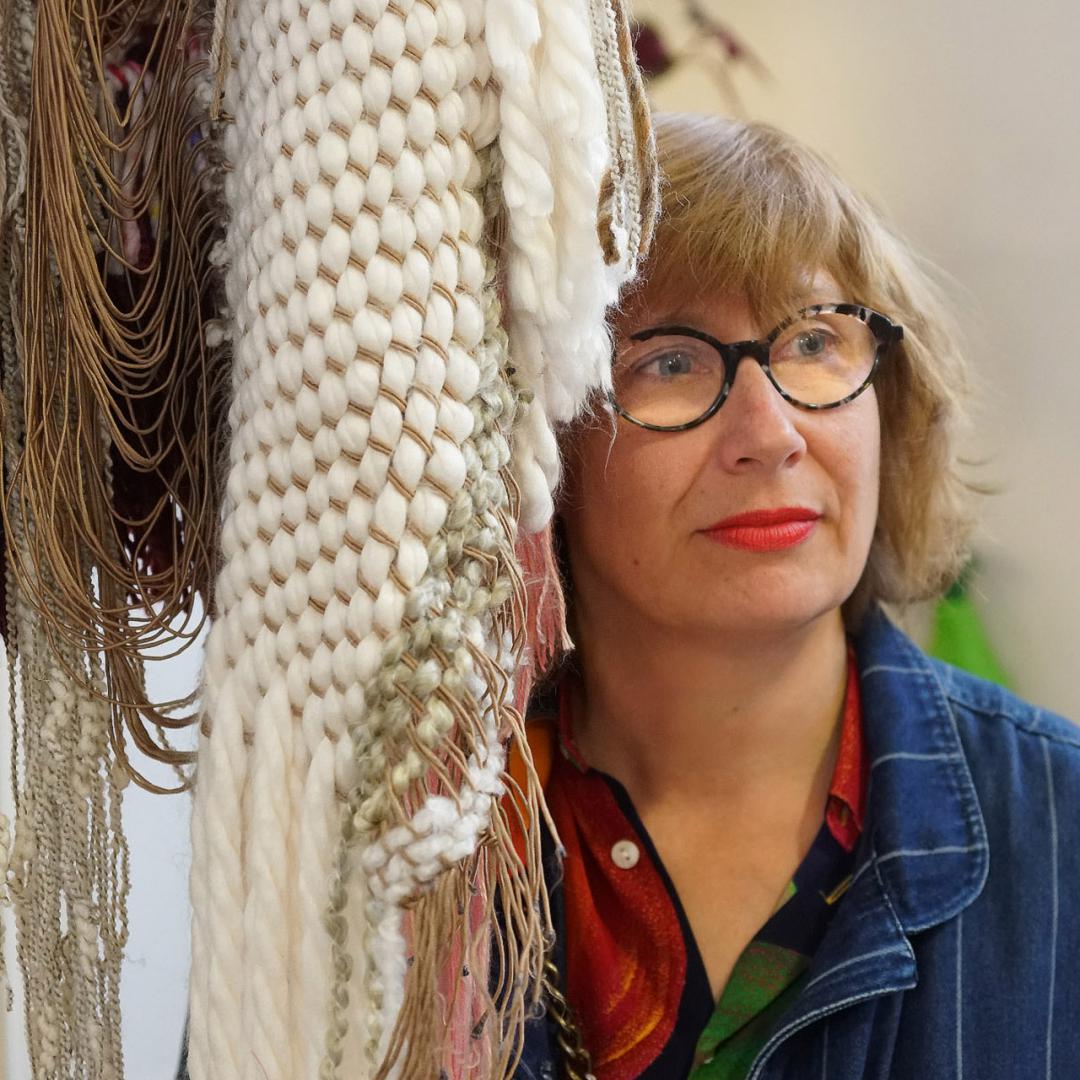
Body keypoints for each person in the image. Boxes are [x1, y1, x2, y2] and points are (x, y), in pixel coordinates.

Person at [510, 112, 1080, 1080]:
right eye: (669, 360)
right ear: (541, 446)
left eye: (814, 341)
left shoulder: (1061, 826)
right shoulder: (409, 857)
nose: (769, 433)